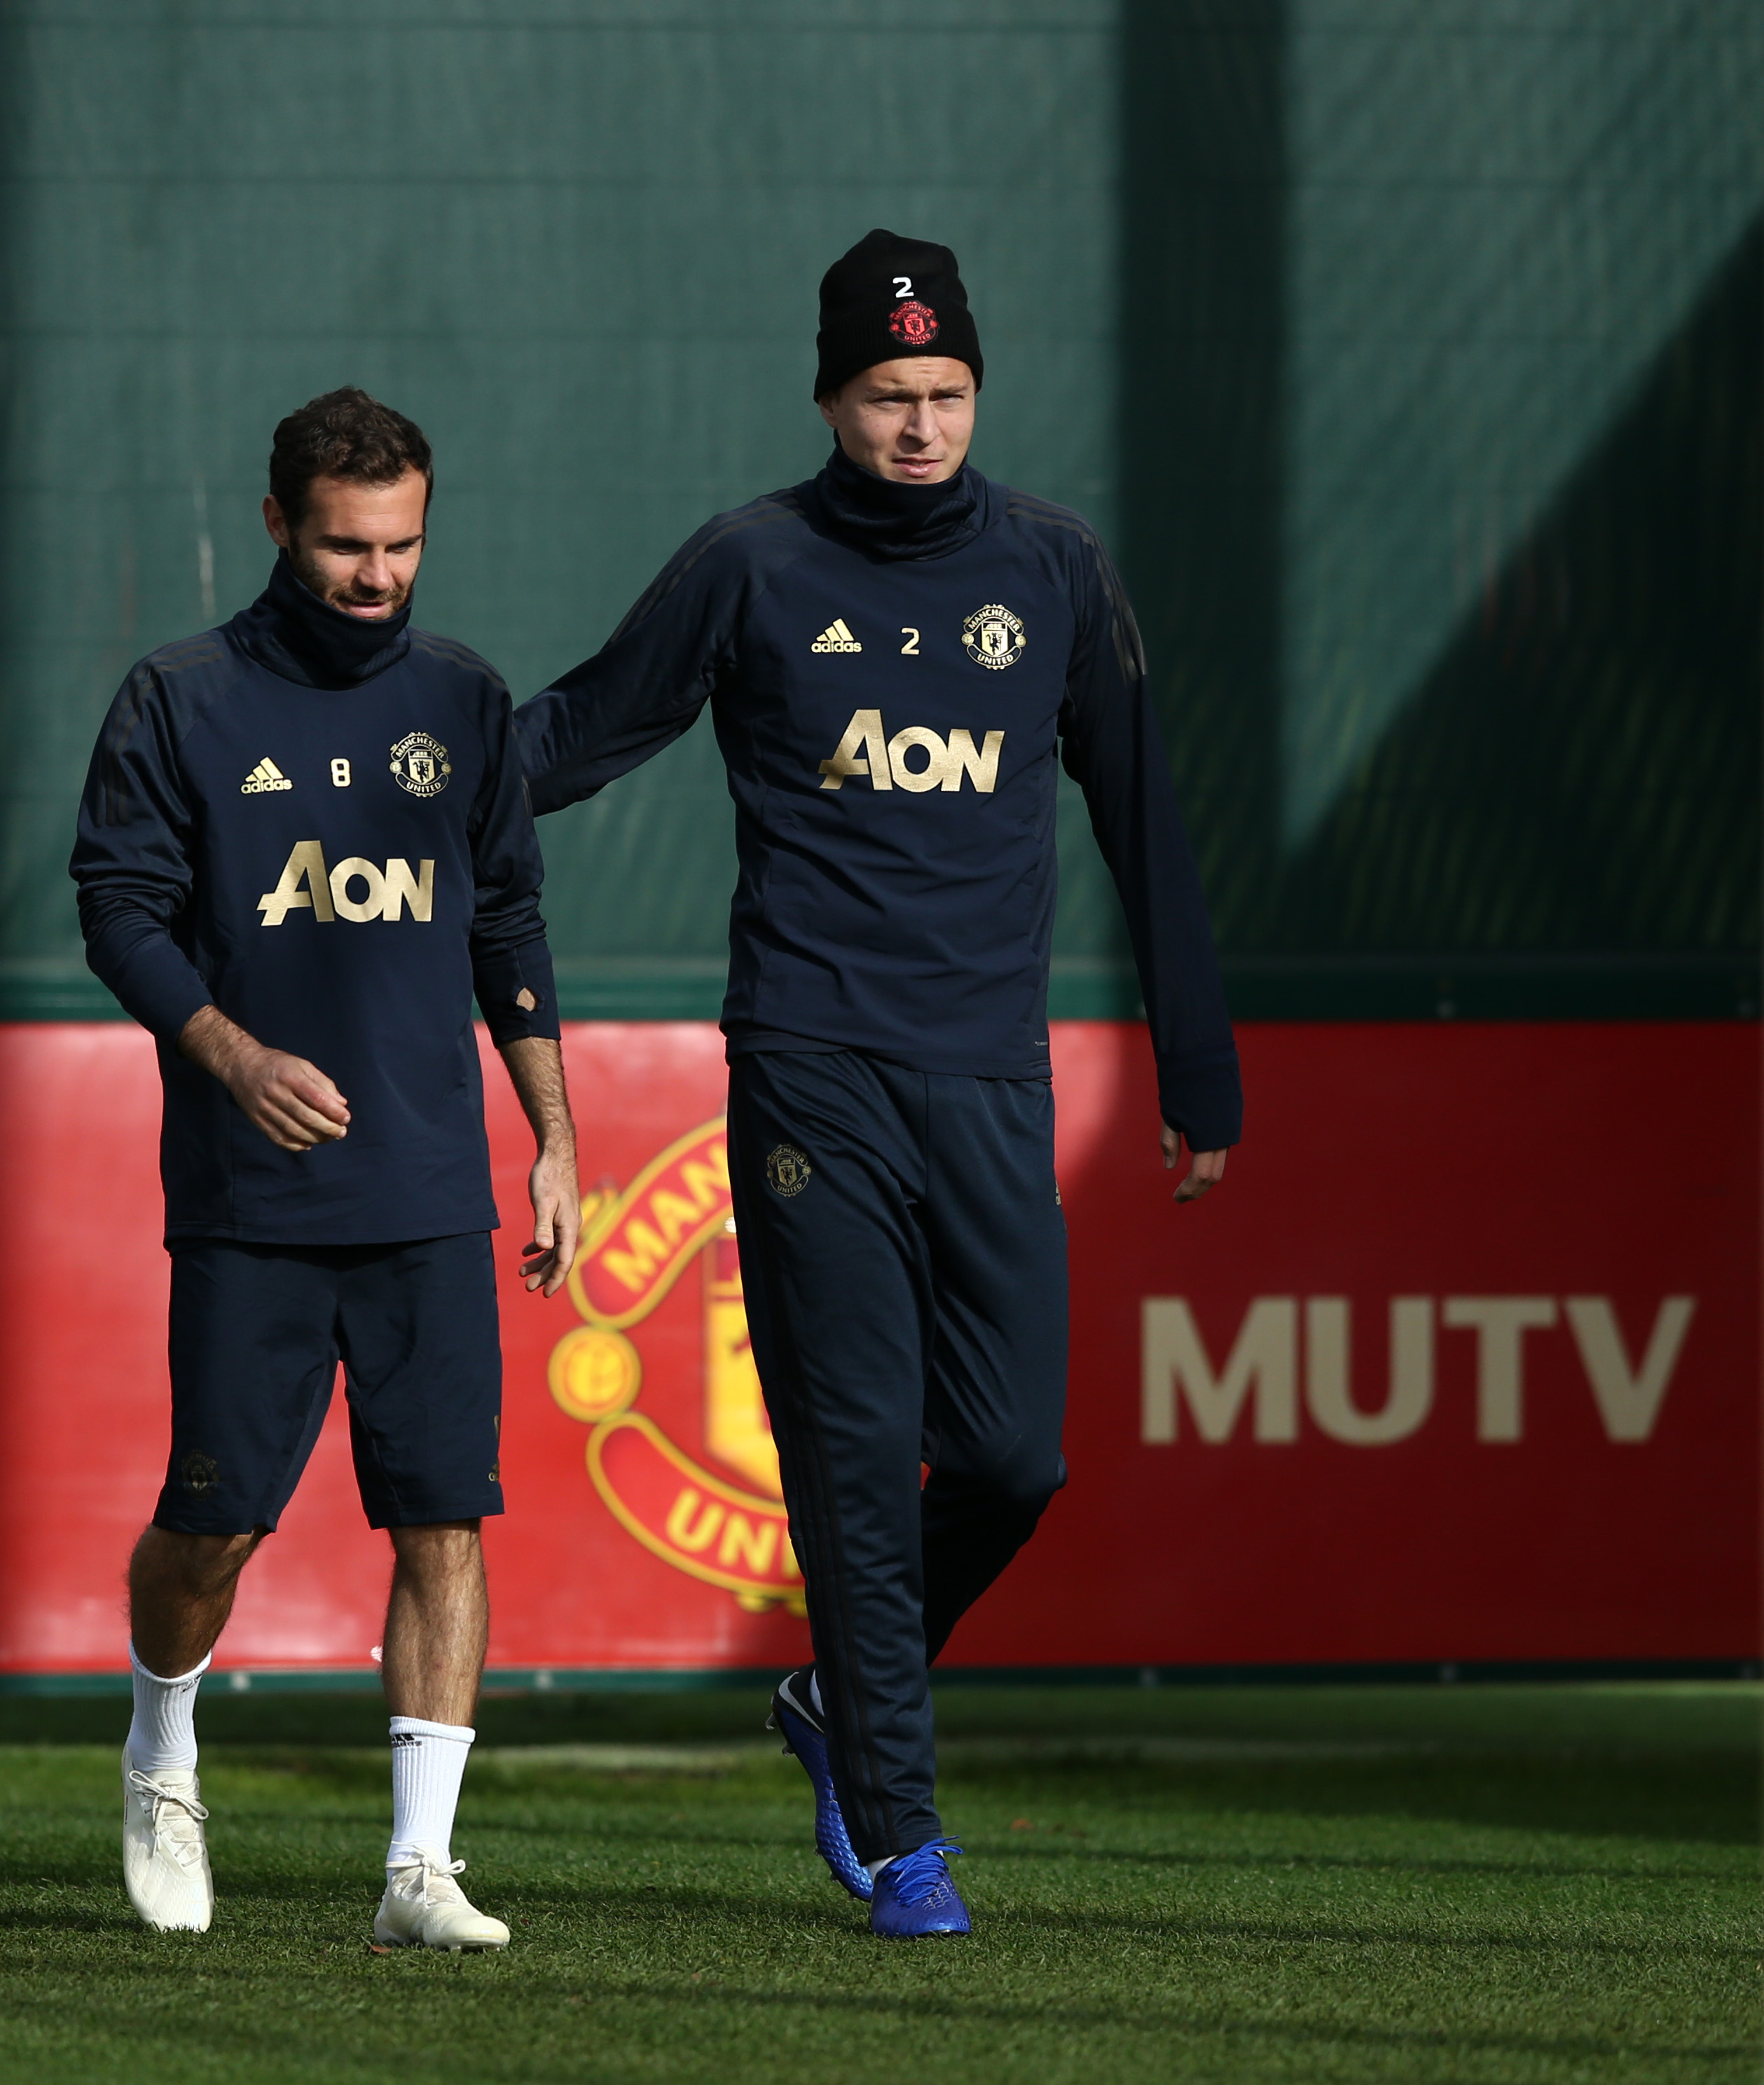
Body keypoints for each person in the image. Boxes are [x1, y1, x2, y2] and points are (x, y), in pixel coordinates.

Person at [514, 232, 1241, 1939]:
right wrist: (409, 772)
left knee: (1009, 1461)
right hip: (810, 1072)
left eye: (946, 394)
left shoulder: (1057, 571)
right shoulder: (749, 565)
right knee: (852, 1459)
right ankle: (907, 1840)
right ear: (831, 398)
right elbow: (584, 729)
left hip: (989, 1078)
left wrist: (1198, 1066)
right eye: (885, 396)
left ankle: (842, 1699)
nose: (919, 425)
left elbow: (1145, 822)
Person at [69, 387, 579, 1952]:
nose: (377, 574)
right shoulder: (181, 698)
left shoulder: (464, 699)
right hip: (255, 1199)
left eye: (404, 545)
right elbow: (118, 911)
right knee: (214, 1529)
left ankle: (419, 1869)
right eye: (348, 544)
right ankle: (162, 1746)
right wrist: (230, 1055)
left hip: (430, 1192)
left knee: (443, 1521)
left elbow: (505, 924)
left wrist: (555, 1133)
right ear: (282, 520)